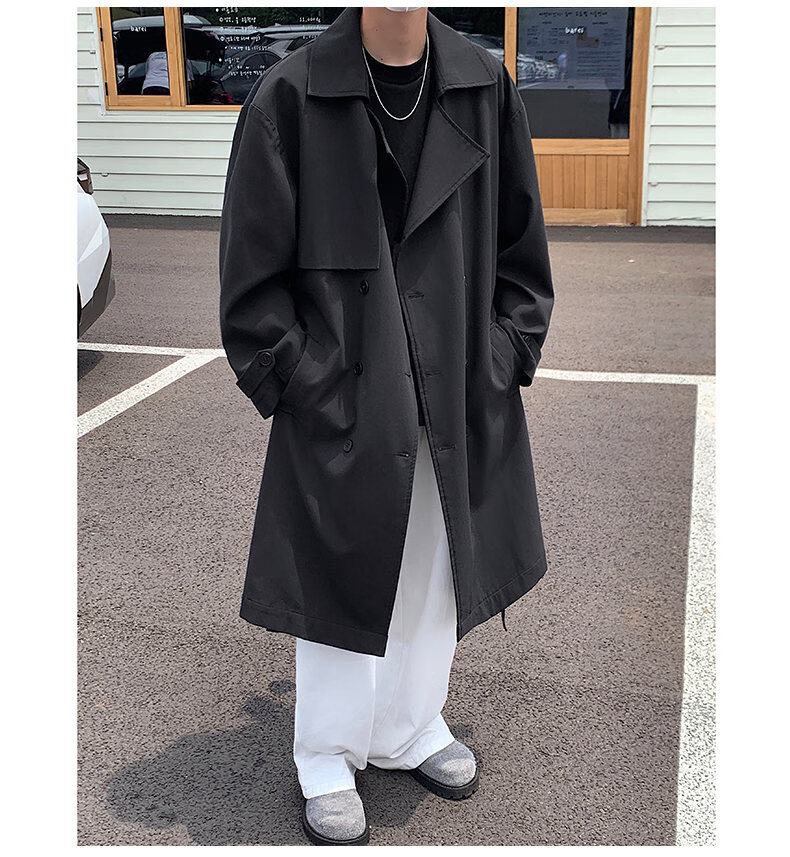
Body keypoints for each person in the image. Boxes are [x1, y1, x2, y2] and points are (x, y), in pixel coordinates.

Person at [219, 6, 554, 846]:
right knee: (343, 569)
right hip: (344, 393)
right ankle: (327, 753)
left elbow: (522, 248)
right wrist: (306, 379)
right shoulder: (290, 96)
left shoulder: (483, 86)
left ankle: (409, 725)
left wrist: (502, 355)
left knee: (436, 567)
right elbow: (251, 280)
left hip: (456, 384)